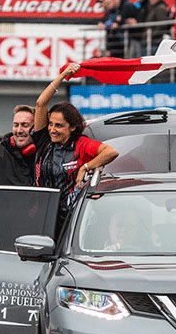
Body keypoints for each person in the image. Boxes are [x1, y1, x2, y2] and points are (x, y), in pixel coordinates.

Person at [33, 63, 119, 224]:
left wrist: (86, 167)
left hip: (71, 219)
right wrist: (62, 76)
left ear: (72, 127)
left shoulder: (81, 144)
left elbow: (111, 152)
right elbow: (40, 104)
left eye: (59, 125)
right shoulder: (44, 141)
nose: (52, 129)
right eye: (51, 124)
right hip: (42, 214)